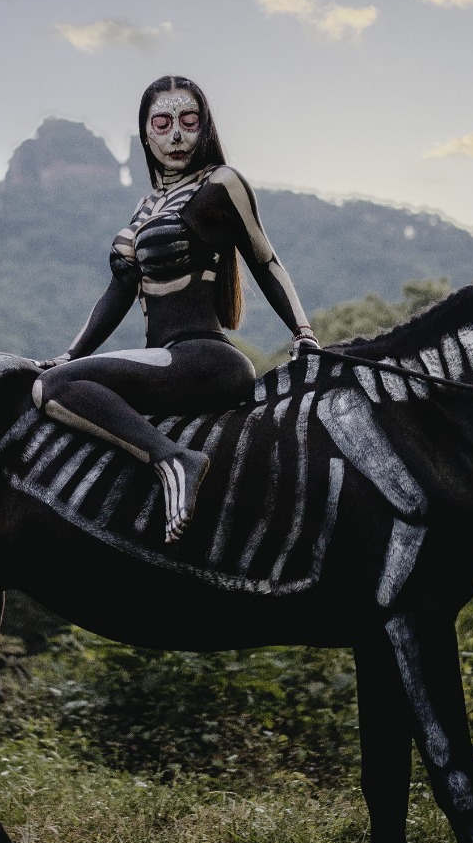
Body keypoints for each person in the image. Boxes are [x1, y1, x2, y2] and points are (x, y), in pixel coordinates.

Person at [34, 76, 320, 542]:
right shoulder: (145, 205)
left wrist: (303, 332)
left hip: (206, 360)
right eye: (163, 124)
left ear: (205, 126)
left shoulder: (221, 183)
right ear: (146, 134)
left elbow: (264, 258)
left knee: (53, 387)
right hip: (164, 359)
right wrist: (68, 355)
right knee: (57, 379)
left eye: (189, 121)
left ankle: (174, 460)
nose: (177, 136)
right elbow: (118, 292)